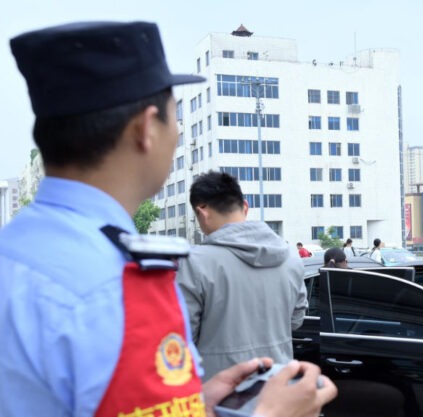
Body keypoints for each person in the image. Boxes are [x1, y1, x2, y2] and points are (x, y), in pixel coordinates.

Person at [0, 21, 335, 417]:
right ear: (145, 129)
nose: (177, 134)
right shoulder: (119, 281)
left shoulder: (17, 251)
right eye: (175, 118)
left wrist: (197, 405)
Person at [176, 172, 308, 381]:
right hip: (279, 389)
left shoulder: (193, 262)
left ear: (202, 211)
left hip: (220, 394)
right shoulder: (291, 257)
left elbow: (183, 336)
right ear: (245, 207)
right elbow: (296, 320)